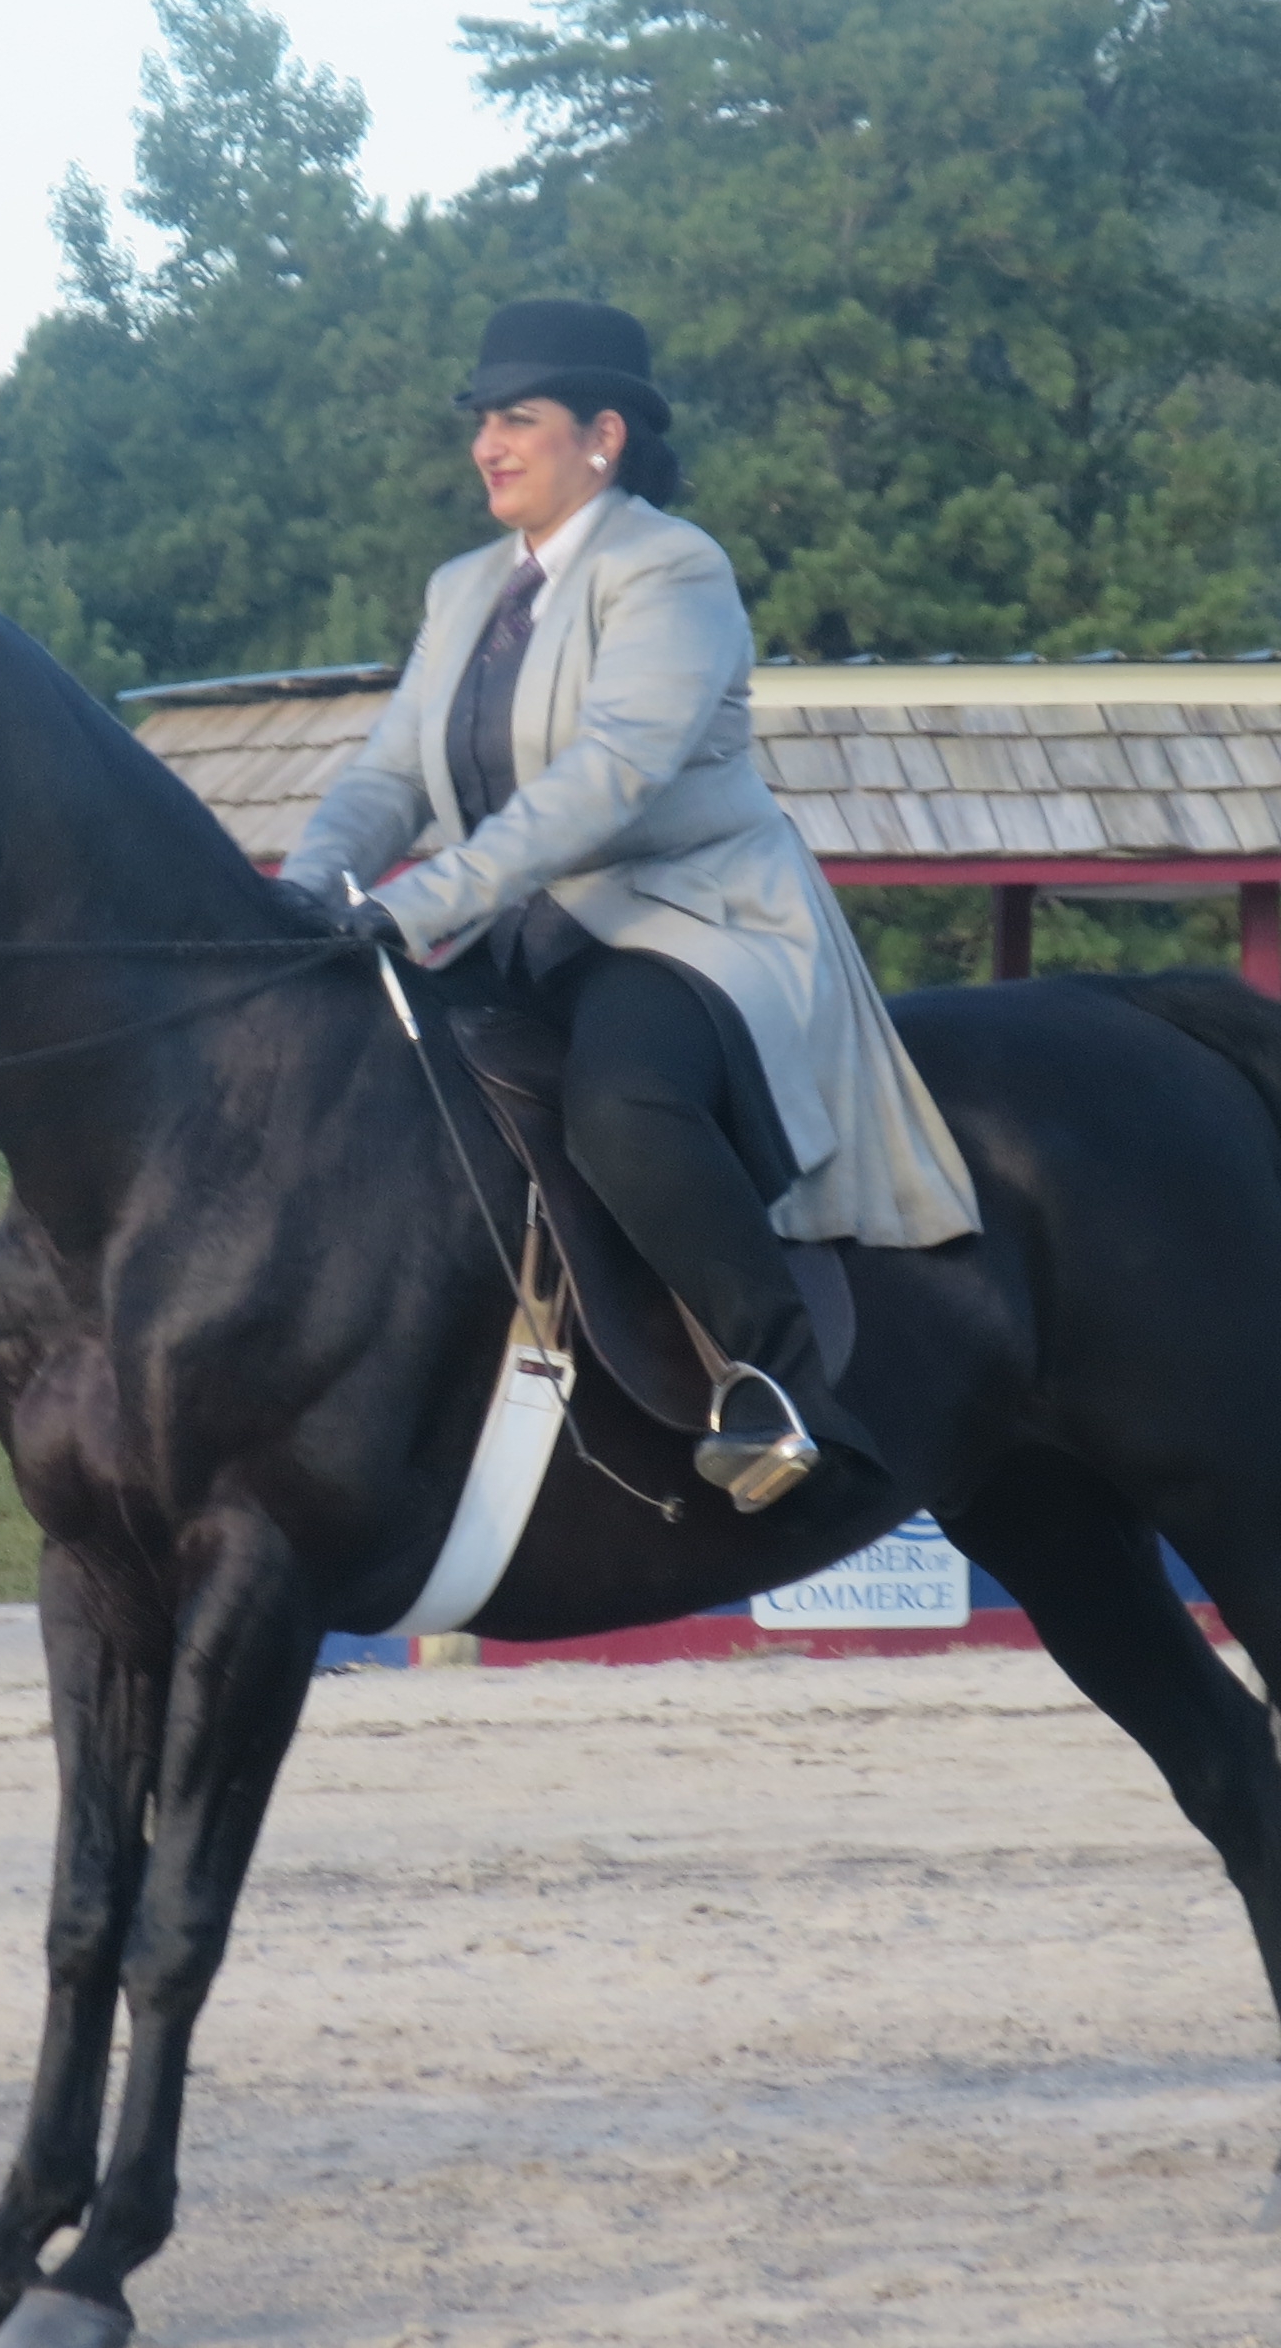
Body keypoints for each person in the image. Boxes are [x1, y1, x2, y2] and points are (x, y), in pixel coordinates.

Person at [281, 299, 982, 1509]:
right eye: (481, 422)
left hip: (684, 919)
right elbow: (388, 776)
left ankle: (775, 1381)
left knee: (621, 1105)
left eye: (517, 419)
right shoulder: (463, 589)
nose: (487, 445)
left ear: (602, 435)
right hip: (518, 927)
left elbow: (609, 776)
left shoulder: (670, 568)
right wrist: (303, 896)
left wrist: (417, 902)